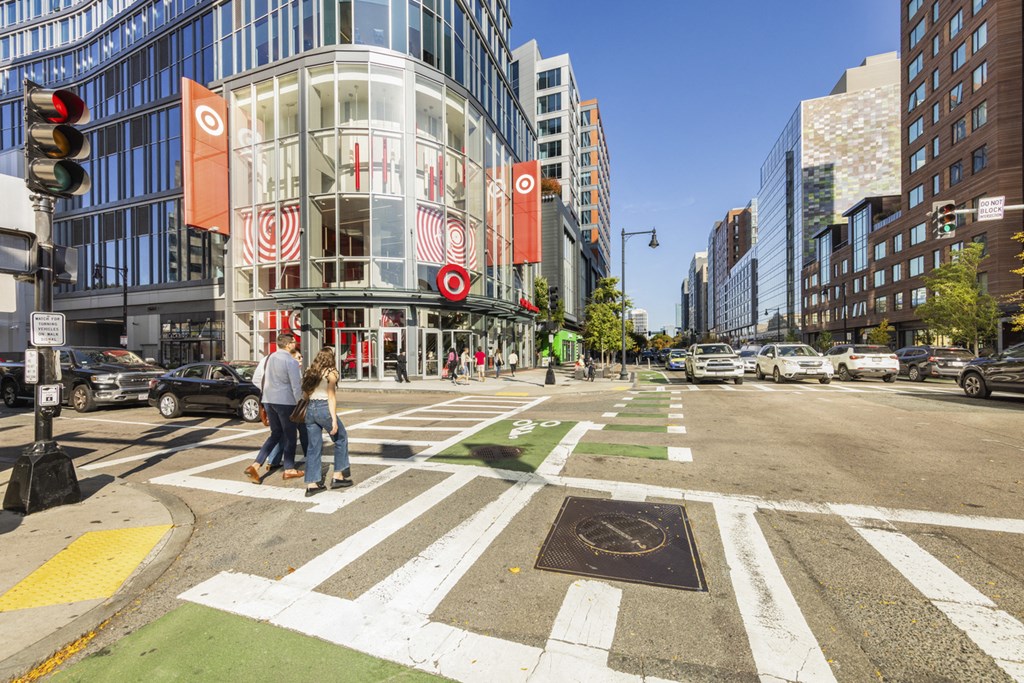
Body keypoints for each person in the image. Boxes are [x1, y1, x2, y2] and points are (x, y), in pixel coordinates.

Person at [244, 333, 303, 484]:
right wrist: (299, 403)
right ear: (289, 344)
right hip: (285, 401)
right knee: (290, 436)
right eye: (294, 342)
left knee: (275, 434)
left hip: (269, 400)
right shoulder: (291, 362)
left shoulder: (267, 358)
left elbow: (258, 379)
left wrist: (268, 392)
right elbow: (296, 386)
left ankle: (256, 465)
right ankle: (289, 469)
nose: (295, 344)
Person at [301, 347, 353, 496]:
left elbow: (305, 395)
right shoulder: (332, 373)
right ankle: (338, 476)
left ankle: (312, 484)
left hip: (310, 410)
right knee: (341, 438)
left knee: (313, 447)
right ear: (332, 358)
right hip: (324, 408)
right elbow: (331, 396)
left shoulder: (310, 372)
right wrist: (334, 420)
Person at [266, 346, 309, 470]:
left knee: (281, 434)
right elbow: (296, 388)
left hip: (287, 404)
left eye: (301, 357)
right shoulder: (291, 367)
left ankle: (273, 460)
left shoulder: (297, 369)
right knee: (301, 432)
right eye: (298, 357)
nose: (301, 359)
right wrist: (299, 401)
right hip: (294, 405)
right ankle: (304, 459)